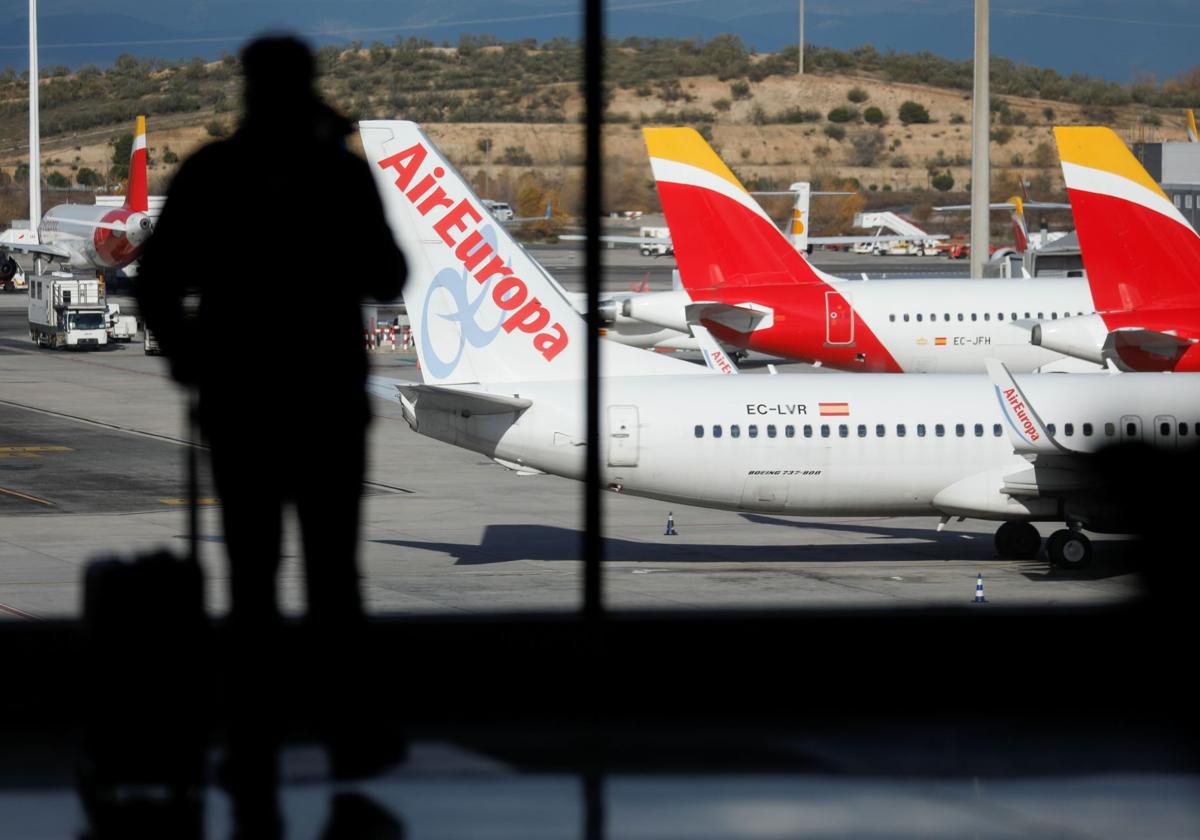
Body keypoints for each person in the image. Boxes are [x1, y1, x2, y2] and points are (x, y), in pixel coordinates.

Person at [136, 34, 406, 836]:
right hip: (323, 405)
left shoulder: (211, 174)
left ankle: (250, 745)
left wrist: (190, 360)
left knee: (251, 584)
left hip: (242, 404)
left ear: (246, 90)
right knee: (334, 581)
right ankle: (348, 739)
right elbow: (388, 277)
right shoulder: (339, 174)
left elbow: (155, 282)